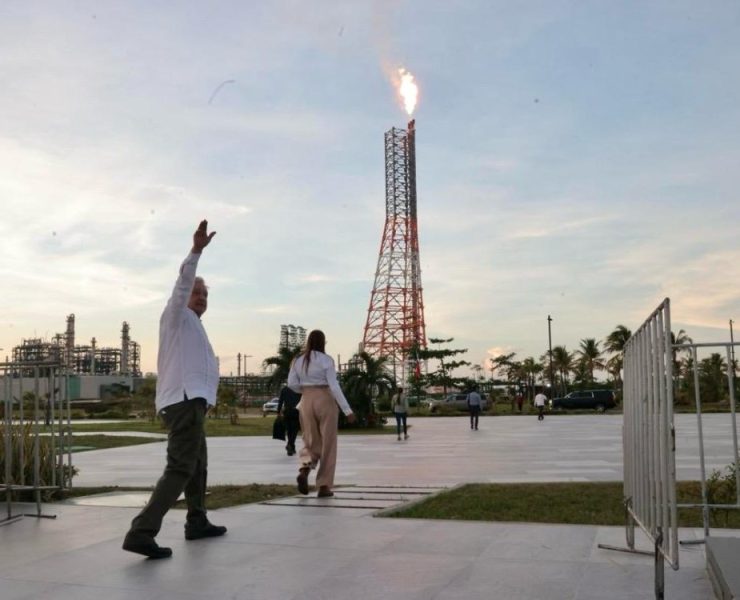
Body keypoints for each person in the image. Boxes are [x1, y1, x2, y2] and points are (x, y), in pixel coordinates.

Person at [123, 220, 225, 560]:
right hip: (182, 402)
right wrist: (196, 251)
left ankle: (197, 521)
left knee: (198, 465)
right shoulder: (176, 315)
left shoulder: (195, 326)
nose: (201, 298)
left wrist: (207, 400)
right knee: (181, 467)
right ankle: (141, 531)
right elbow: (182, 284)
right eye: (197, 293)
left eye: (206, 295)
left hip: (193, 403)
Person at [288, 330, 355, 498]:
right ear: (323, 342)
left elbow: (291, 384)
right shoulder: (326, 360)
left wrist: (305, 391)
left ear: (308, 342)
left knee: (309, 440)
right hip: (325, 399)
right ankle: (324, 486)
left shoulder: (298, 360)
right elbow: (334, 386)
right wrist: (347, 410)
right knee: (328, 444)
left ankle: (304, 469)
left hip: (306, 400)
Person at [277, 385, 301, 456]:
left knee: (289, 430)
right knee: (294, 430)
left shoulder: (284, 389)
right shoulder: (299, 388)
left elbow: (280, 401)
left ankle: (292, 447)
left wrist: (278, 411)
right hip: (296, 411)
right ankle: (290, 444)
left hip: (286, 411)